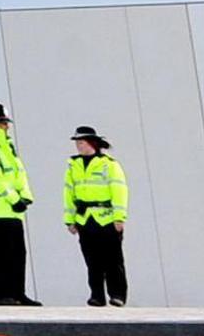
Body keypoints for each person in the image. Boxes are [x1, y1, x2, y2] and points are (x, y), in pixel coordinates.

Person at [0, 100, 39, 305]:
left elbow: (19, 172)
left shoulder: (7, 146)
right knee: (2, 252)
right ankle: (2, 294)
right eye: (3, 123)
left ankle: (18, 292)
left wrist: (26, 195)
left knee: (18, 252)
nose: (7, 126)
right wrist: (13, 198)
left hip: (15, 210)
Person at [62, 128, 130, 306]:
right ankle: (97, 295)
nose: (78, 145)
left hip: (106, 217)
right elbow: (69, 193)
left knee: (113, 260)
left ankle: (117, 294)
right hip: (85, 218)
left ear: (92, 143)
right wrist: (70, 219)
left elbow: (119, 190)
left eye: (81, 142)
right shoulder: (73, 165)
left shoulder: (109, 164)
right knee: (92, 261)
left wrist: (119, 217)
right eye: (77, 142)